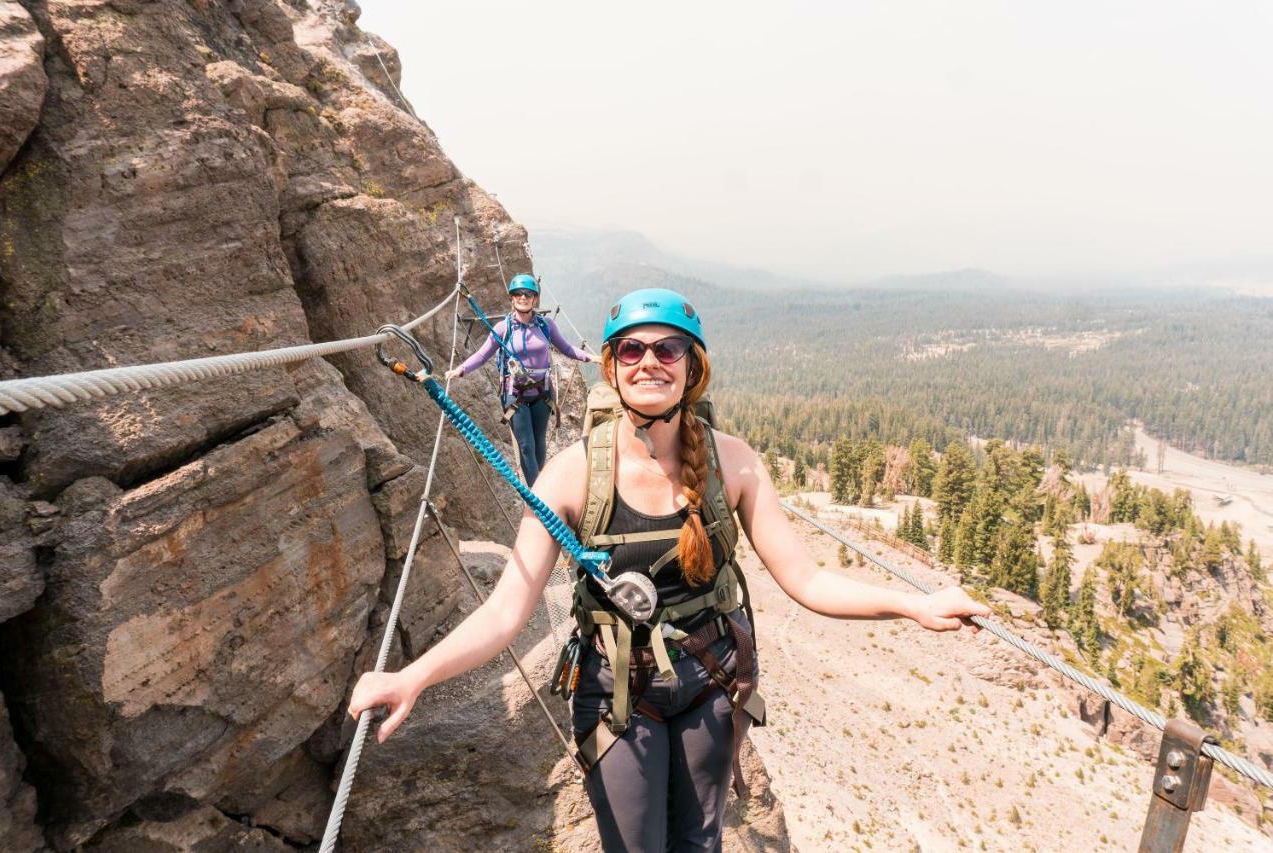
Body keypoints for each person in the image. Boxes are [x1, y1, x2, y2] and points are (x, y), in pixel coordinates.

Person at [352, 288, 992, 852]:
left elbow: (808, 581)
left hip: (711, 683)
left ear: (693, 367)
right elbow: (506, 609)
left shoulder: (734, 464)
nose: (650, 362)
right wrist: (414, 676)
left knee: (698, 842)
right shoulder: (573, 473)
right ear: (611, 367)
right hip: (615, 691)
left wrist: (915, 605)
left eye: (668, 350)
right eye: (630, 351)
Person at [446, 273, 596, 485]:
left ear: (535, 298)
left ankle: (540, 483)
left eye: (528, 294)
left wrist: (590, 357)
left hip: (542, 394)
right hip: (515, 396)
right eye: (518, 294)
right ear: (512, 298)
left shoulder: (546, 325)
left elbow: (567, 348)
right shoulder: (503, 328)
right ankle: (537, 495)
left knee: (539, 444)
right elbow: (482, 355)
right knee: (526, 446)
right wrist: (460, 370)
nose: (523, 298)